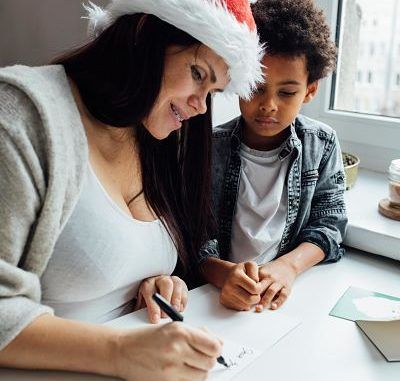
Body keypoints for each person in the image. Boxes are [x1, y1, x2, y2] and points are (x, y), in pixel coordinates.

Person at [0, 1, 264, 380]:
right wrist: (121, 352)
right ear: (143, 35)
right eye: (196, 73)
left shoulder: (152, 134)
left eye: (213, 91)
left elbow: (103, 256)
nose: (200, 107)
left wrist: (151, 283)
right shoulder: (20, 116)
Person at [199, 0, 348, 313]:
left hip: (283, 302)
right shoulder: (210, 147)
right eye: (256, 87)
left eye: (286, 92)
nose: (268, 105)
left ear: (310, 90)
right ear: (238, 81)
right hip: (213, 299)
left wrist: (288, 268)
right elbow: (189, 236)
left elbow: (329, 225)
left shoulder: (321, 145)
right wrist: (222, 273)